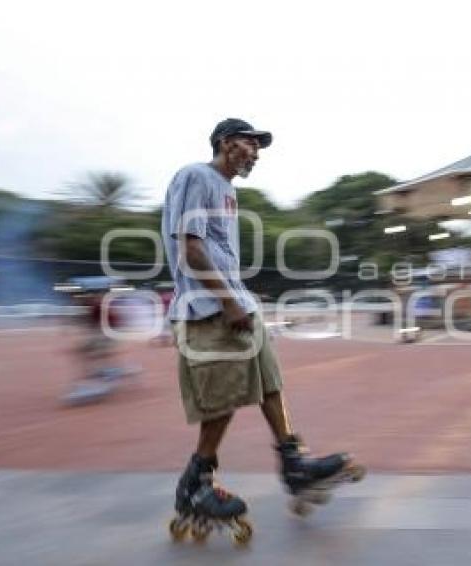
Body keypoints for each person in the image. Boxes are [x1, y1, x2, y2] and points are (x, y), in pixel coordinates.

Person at [160, 118, 357, 530]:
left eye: (258, 148)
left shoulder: (228, 191)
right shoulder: (197, 175)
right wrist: (230, 302)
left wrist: (241, 299)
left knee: (269, 381)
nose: (256, 153)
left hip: (235, 302)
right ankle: (195, 484)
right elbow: (191, 249)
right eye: (252, 144)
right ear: (227, 142)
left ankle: (294, 463)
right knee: (225, 398)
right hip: (207, 308)